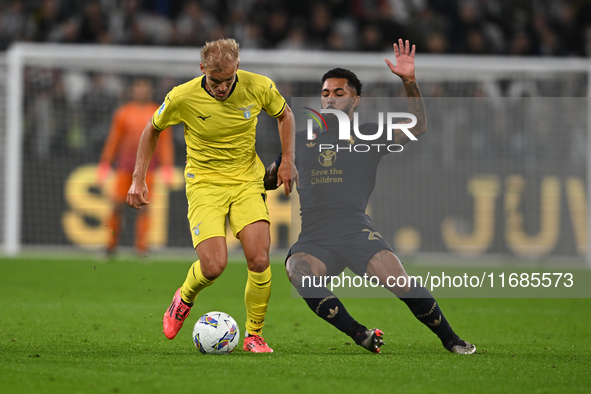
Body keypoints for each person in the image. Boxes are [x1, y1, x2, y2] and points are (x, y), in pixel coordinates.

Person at [265, 39, 476, 354]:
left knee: (400, 282)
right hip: (315, 235)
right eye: (325, 93)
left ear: (355, 100)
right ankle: (358, 332)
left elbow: (418, 126)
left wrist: (409, 81)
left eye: (339, 92)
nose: (330, 99)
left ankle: (451, 339)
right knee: (297, 271)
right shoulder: (301, 140)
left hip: (354, 229)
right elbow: (268, 177)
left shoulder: (368, 134)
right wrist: (275, 172)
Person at [126, 38, 296, 353]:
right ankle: (184, 297)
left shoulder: (258, 87)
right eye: (215, 81)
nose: (221, 87)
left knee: (259, 258)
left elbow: (285, 115)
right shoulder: (182, 96)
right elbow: (152, 128)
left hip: (247, 181)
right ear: (202, 69)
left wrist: (287, 160)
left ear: (237, 69)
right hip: (205, 184)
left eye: (228, 80)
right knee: (214, 265)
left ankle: (254, 335)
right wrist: (138, 179)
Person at [97, 78, 174, 256]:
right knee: (116, 205)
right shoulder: (123, 112)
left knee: (145, 207)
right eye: (138, 87)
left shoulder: (158, 111)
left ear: (149, 90)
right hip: (125, 168)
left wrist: (167, 165)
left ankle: (141, 247)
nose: (141, 91)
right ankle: (110, 245)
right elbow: (114, 140)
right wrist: (105, 162)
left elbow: (165, 142)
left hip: (148, 169)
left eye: (144, 87)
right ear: (132, 90)